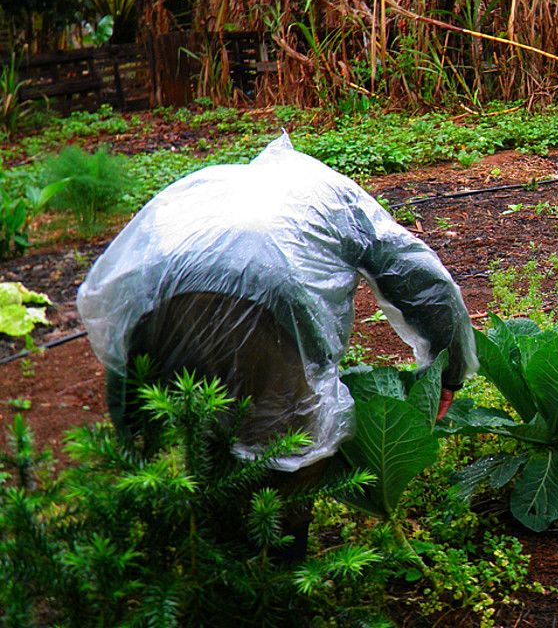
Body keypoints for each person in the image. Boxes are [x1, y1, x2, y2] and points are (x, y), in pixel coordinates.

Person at [78, 134, 476, 530]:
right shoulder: (332, 194)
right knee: (288, 449)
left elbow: (124, 300)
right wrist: (448, 371)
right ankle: (276, 564)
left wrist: (130, 432)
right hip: (267, 294)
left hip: (147, 294)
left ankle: (178, 527)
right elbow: (423, 281)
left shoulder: (210, 186)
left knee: (190, 414)